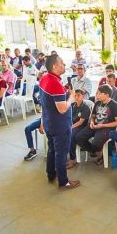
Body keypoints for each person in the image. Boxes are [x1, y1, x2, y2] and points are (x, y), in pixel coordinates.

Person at [38, 55, 80, 189]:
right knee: (61, 153)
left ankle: (51, 174)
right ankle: (63, 181)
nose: (64, 64)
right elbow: (62, 109)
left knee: (52, 149)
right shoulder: (55, 84)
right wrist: (71, 97)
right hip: (60, 126)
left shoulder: (44, 79)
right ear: (54, 66)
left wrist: (42, 121)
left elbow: (45, 104)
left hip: (49, 123)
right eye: (61, 63)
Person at [75, 85, 117, 164]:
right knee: (78, 137)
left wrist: (102, 125)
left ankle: (99, 154)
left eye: (99, 94)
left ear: (106, 95)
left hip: (107, 128)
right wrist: (92, 122)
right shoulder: (97, 103)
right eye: (97, 93)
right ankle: (96, 151)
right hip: (95, 125)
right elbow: (92, 116)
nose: (97, 95)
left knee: (96, 142)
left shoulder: (115, 105)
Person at [63, 89, 92, 167]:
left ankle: (73, 159)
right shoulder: (72, 105)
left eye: (78, 95)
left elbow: (81, 122)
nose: (76, 97)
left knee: (71, 136)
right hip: (71, 124)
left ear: (83, 96)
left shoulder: (85, 107)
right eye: (75, 95)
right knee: (61, 133)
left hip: (81, 126)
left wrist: (70, 127)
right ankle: (63, 155)